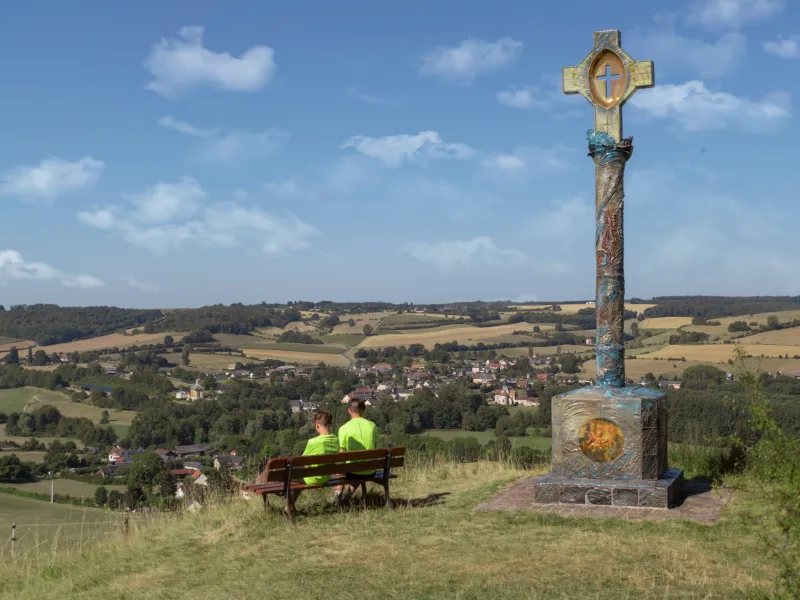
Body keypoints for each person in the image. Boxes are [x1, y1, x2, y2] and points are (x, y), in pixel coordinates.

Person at [288, 410, 339, 507]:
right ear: (330, 424)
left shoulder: (313, 442)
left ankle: (289, 506)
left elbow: (302, 462)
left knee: (292, 474)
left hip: (312, 478)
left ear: (317, 425)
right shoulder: (336, 440)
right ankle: (289, 506)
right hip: (326, 477)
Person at [334, 398, 378, 504]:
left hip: (353, 471)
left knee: (342, 468)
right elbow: (375, 445)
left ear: (349, 410)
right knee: (358, 468)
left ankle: (337, 497)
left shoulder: (344, 428)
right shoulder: (372, 426)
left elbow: (341, 453)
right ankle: (345, 498)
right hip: (370, 470)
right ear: (363, 410)